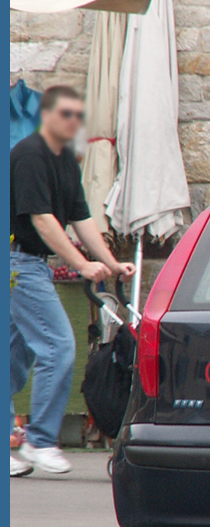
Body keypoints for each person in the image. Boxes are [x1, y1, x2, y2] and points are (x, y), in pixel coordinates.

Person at [10, 85, 135, 477]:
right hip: (18, 263)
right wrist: (82, 265)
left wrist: (112, 263)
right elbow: (42, 220)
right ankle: (40, 440)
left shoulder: (65, 160)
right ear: (46, 116)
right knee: (58, 347)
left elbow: (81, 219)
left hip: (30, 264)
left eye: (77, 114)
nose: (73, 121)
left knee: (13, 359)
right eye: (65, 113)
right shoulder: (30, 156)